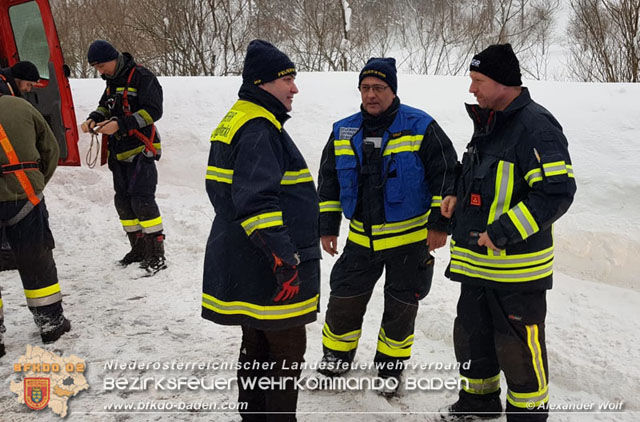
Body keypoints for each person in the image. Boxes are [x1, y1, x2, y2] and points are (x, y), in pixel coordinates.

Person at [441, 44, 577, 422]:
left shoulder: (536, 127)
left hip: (515, 272)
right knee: (473, 341)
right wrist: (452, 193)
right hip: (475, 267)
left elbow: (556, 193)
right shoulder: (489, 121)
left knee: (518, 353)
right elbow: (472, 173)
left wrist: (500, 233)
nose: (472, 89)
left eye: (478, 80)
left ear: (504, 83)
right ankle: (477, 406)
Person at [317, 57, 458, 395]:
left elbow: (447, 176)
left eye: (379, 88)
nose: (371, 94)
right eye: (365, 88)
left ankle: (390, 371)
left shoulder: (421, 126)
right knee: (344, 300)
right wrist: (327, 226)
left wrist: (439, 224)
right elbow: (329, 183)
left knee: (401, 309)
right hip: (361, 241)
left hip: (409, 242)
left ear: (393, 91)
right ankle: (335, 359)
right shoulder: (343, 131)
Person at [202, 40, 320, 421]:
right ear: (263, 82)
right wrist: (285, 259)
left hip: (246, 258)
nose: (294, 88)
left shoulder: (237, 118)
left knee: (256, 346)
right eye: (288, 79)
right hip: (269, 266)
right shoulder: (258, 128)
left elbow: (227, 195)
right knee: (285, 353)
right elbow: (258, 202)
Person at [80, 40, 166, 273]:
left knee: (142, 200)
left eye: (101, 66)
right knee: (124, 202)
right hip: (119, 151)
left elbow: (153, 111)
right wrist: (93, 119)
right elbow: (105, 107)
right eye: (96, 68)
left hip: (141, 148)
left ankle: (156, 254)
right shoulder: (112, 82)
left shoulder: (142, 77)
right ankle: (138, 248)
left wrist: (120, 124)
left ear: (113, 58)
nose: (100, 71)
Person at [0, 94, 71, 358]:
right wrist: (37, 182)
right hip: (25, 196)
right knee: (36, 258)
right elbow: (50, 148)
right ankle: (50, 323)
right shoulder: (20, 105)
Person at [0, 61, 41, 271]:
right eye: (28, 85)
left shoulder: (7, 88)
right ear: (18, 79)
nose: (28, 89)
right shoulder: (3, 92)